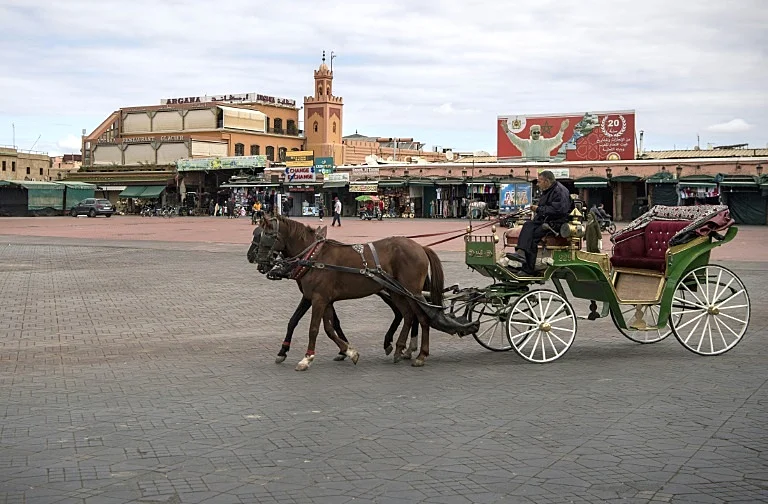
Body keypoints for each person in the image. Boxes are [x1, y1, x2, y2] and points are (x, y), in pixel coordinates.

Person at [506, 170, 572, 275]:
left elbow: (559, 210)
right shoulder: (549, 190)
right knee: (527, 225)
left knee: (533, 235)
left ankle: (528, 268)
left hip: (556, 223)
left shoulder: (560, 191)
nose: (538, 184)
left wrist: (538, 209)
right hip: (546, 220)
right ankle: (521, 253)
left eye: (539, 181)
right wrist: (537, 210)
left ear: (546, 181)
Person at [502, 119, 569, 161]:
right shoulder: (525, 143)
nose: (536, 134)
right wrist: (507, 131)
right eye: (534, 132)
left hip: (543, 169)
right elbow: (515, 140)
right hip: (528, 169)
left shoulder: (545, 143)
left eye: (538, 132)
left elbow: (556, 140)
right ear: (530, 133)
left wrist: (562, 130)